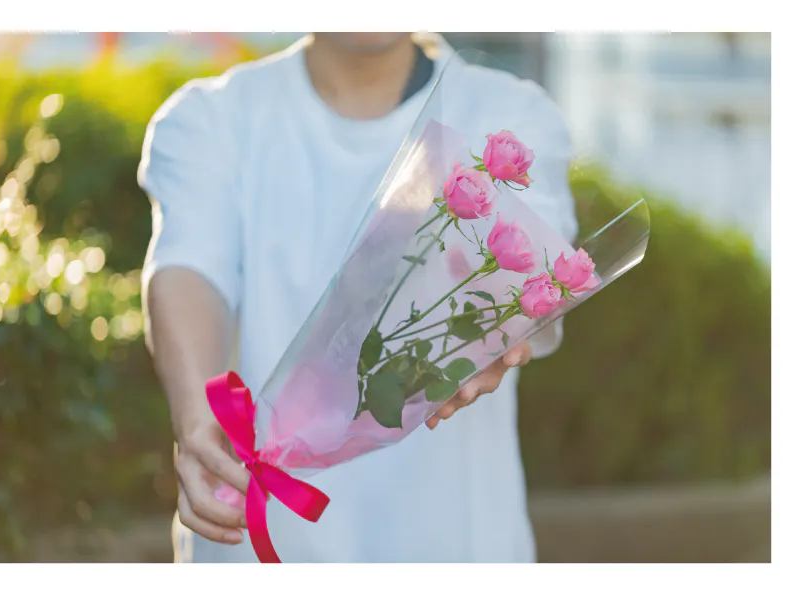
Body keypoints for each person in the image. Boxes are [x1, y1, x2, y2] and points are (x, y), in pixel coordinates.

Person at [138, 32, 578, 563]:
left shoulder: (510, 115)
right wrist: (198, 417)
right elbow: (190, 269)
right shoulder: (210, 119)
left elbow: (535, 272)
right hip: (261, 538)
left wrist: (494, 337)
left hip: (452, 541)